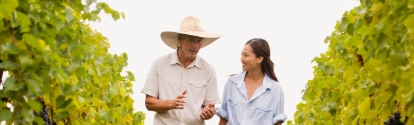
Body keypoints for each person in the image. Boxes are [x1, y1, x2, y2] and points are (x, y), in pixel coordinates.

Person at [141, 16, 222, 125]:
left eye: (199, 41)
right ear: (180, 39)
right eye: (191, 40)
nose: (195, 46)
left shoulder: (208, 70)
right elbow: (149, 103)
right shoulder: (159, 64)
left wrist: (209, 113)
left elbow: (211, 107)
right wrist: (172, 104)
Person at [216, 38, 287, 125]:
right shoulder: (231, 83)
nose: (242, 59)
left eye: (246, 55)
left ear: (259, 59)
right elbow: (223, 119)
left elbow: (277, 123)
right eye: (241, 54)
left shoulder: (275, 89)